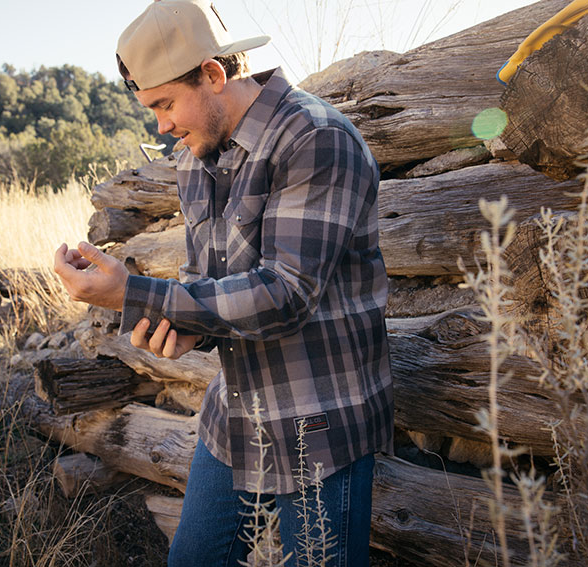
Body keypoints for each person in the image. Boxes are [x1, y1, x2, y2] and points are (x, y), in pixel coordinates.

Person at [53, 1, 394, 564]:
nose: (161, 126)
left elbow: (285, 294)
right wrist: (184, 330)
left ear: (213, 74)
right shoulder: (195, 158)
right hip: (235, 409)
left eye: (165, 104)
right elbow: (207, 282)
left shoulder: (315, 138)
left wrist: (131, 294)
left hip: (317, 418)